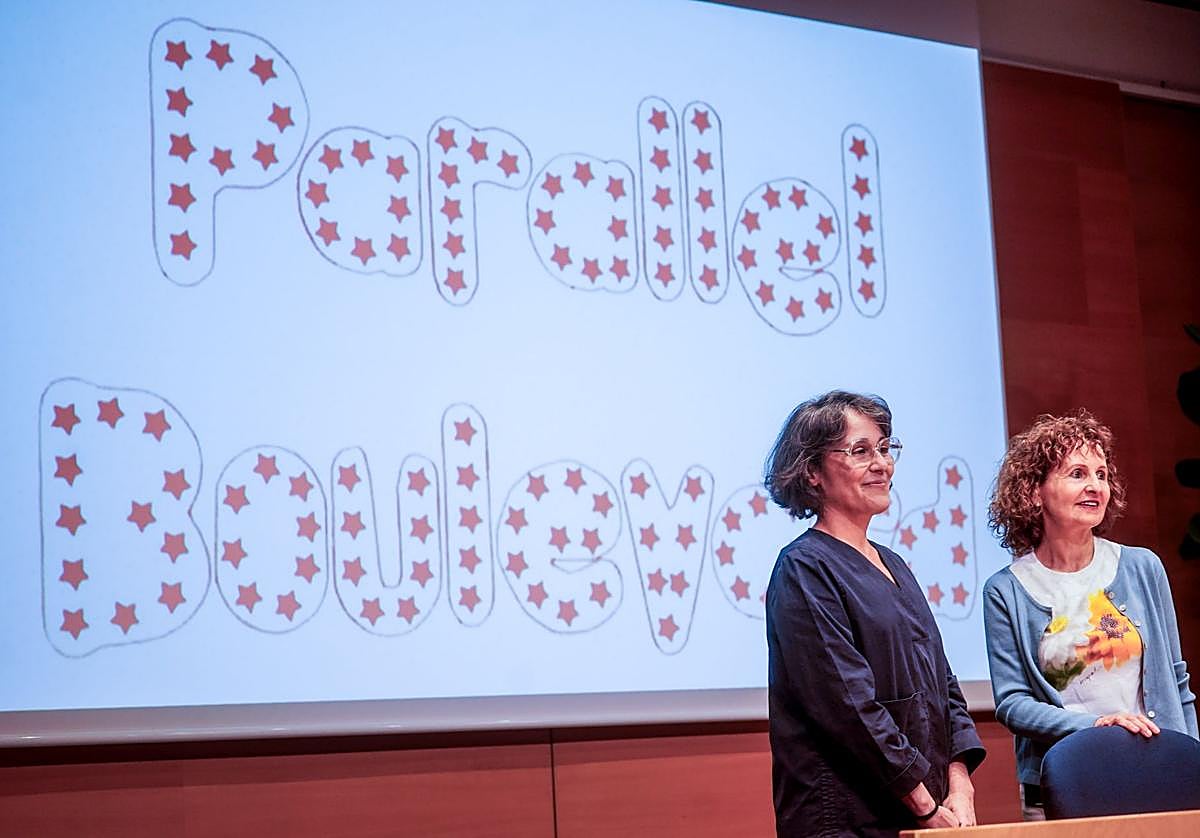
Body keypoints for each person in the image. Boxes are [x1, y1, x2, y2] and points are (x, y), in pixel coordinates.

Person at [765, 391, 985, 837]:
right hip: (848, 819)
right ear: (811, 472)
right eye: (860, 451)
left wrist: (959, 789)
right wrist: (924, 806)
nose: (882, 464)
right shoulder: (805, 568)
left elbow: (944, 686)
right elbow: (849, 708)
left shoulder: (895, 564)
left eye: (885, 448)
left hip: (930, 815)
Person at [983, 409, 1198, 819]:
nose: (1095, 486)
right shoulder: (1006, 590)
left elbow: (1178, 678)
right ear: (1034, 492)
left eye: (1101, 474)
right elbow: (1012, 704)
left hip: (1160, 770)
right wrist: (1097, 727)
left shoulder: (1142, 567)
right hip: (1070, 781)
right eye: (1077, 473)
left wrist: (1191, 762)